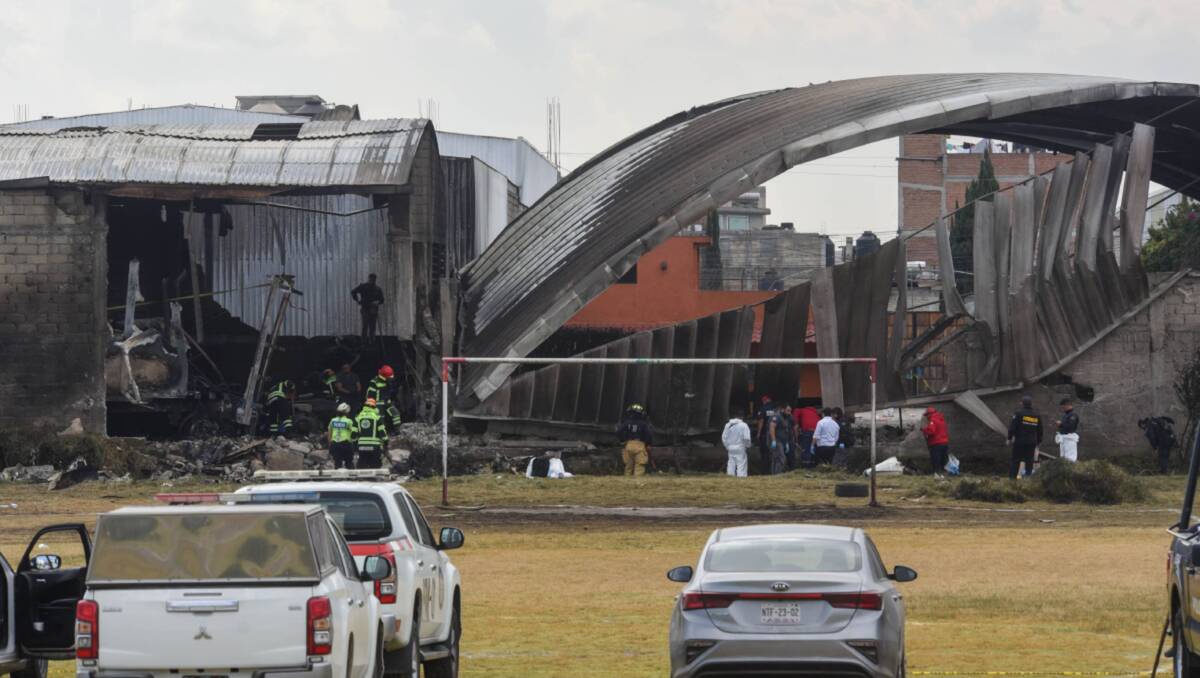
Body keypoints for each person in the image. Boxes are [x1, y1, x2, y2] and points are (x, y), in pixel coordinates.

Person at [1007, 395, 1043, 479]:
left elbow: (1012, 427)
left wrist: (1009, 438)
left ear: (1022, 403)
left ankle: (1012, 479)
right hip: (1031, 442)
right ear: (1031, 404)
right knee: (1029, 461)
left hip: (1020, 441)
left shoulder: (1018, 413)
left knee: (1016, 460)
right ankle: (1027, 479)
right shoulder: (1036, 415)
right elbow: (1040, 430)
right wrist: (1039, 442)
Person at [617, 403, 654, 477]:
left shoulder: (627, 422)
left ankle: (626, 481)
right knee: (639, 466)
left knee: (628, 465)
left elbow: (619, 431)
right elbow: (649, 434)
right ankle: (636, 483)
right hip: (640, 445)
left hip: (628, 445)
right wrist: (647, 444)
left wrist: (622, 441)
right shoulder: (644, 424)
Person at [365, 365, 403, 431]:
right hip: (378, 404)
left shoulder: (389, 381)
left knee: (395, 413)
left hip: (387, 402)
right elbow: (369, 395)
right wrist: (371, 405)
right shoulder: (374, 382)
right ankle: (381, 433)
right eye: (389, 377)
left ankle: (397, 430)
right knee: (380, 419)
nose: (391, 378)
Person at [354, 398, 388, 469]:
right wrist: (386, 441)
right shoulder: (377, 417)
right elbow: (382, 431)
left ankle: (362, 479)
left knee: (362, 464)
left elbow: (353, 434)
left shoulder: (358, 417)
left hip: (361, 446)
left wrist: (354, 443)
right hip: (374, 445)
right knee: (375, 464)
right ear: (374, 406)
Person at [351, 274, 385, 340]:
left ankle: (371, 342)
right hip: (365, 308)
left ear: (375, 280)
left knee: (372, 327)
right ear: (368, 279)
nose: (372, 281)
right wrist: (357, 300)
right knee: (365, 325)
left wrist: (377, 302)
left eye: (373, 279)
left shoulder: (378, 289)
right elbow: (353, 292)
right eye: (371, 279)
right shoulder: (363, 286)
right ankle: (364, 342)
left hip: (373, 309)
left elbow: (382, 300)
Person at [721, 410, 752, 477]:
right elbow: (746, 438)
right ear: (742, 417)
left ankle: (729, 478)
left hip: (730, 448)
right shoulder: (744, 425)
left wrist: (727, 446)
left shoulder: (728, 425)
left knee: (731, 464)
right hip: (740, 447)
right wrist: (748, 446)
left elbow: (724, 437)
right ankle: (741, 479)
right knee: (741, 465)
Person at [326, 403, 357, 469]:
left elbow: (329, 433)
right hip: (346, 444)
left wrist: (330, 444)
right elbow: (353, 433)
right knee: (349, 463)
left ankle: (337, 478)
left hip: (335, 444)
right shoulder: (349, 421)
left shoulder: (333, 421)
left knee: (337, 463)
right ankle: (351, 478)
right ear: (347, 412)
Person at [921, 406, 950, 476]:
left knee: (936, 459)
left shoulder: (933, 420)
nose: (927, 417)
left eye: (927, 415)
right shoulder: (941, 419)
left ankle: (937, 473)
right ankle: (944, 473)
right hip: (944, 442)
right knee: (944, 459)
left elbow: (931, 431)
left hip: (936, 443)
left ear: (929, 414)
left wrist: (924, 430)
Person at [755, 396, 780, 474]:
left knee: (765, 453)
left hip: (765, 434)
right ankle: (775, 471)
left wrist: (758, 433)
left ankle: (765, 472)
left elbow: (761, 421)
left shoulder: (763, 409)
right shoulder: (776, 409)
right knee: (775, 454)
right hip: (776, 435)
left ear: (764, 401)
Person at [795, 403, 821, 468]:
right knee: (814, 449)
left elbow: (795, 420)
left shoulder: (800, 410)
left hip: (807, 432)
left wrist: (796, 424)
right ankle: (814, 465)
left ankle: (806, 467)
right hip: (816, 433)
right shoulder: (816, 414)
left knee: (806, 449)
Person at [1054, 398, 1080, 463]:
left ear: (1067, 405)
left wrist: (1061, 424)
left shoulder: (1073, 415)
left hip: (1070, 439)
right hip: (1063, 439)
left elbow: (1071, 427)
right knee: (1063, 458)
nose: (1063, 409)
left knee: (1070, 458)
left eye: (1063, 407)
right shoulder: (1066, 415)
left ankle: (1070, 471)